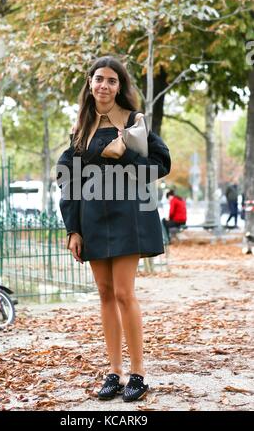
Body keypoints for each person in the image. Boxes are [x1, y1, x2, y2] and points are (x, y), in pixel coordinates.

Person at [56, 56, 171, 402]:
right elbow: (69, 180)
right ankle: (114, 372)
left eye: (112, 80)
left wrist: (124, 153)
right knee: (104, 294)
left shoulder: (135, 122)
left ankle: (138, 374)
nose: (104, 86)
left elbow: (160, 165)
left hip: (129, 214)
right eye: (99, 79)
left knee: (124, 293)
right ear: (89, 84)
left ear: (120, 86)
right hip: (92, 217)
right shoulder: (81, 127)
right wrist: (72, 228)